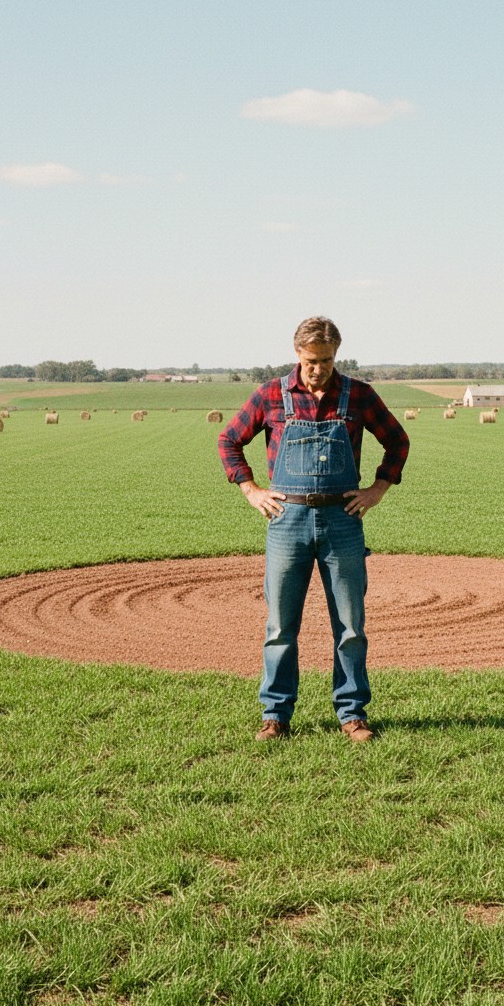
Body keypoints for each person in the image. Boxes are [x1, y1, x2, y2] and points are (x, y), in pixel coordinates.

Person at [218, 316, 409, 742]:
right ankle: (276, 715)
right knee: (280, 626)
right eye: (309, 360)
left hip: (343, 521)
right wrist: (250, 490)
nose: (317, 368)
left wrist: (378, 489)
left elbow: (398, 440)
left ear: (336, 354)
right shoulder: (271, 394)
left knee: (350, 625)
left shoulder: (358, 395)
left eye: (324, 360)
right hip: (287, 522)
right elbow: (228, 440)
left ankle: (352, 713)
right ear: (296, 353)